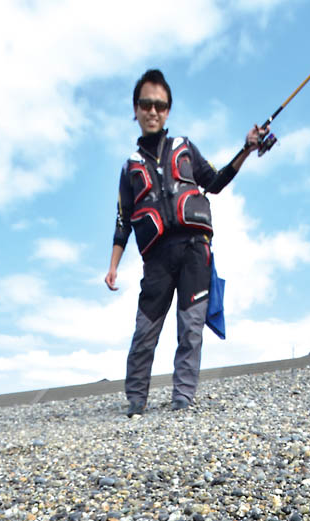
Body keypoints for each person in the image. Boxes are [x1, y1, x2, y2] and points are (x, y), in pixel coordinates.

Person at [106, 68, 273, 416]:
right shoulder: (129, 168)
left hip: (196, 250)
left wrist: (247, 147)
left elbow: (216, 181)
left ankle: (182, 398)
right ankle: (136, 399)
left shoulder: (184, 147)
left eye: (160, 105)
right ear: (135, 109)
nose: (153, 111)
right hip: (157, 258)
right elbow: (123, 220)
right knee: (144, 331)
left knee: (191, 329)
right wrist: (113, 267)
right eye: (146, 104)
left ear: (168, 110)